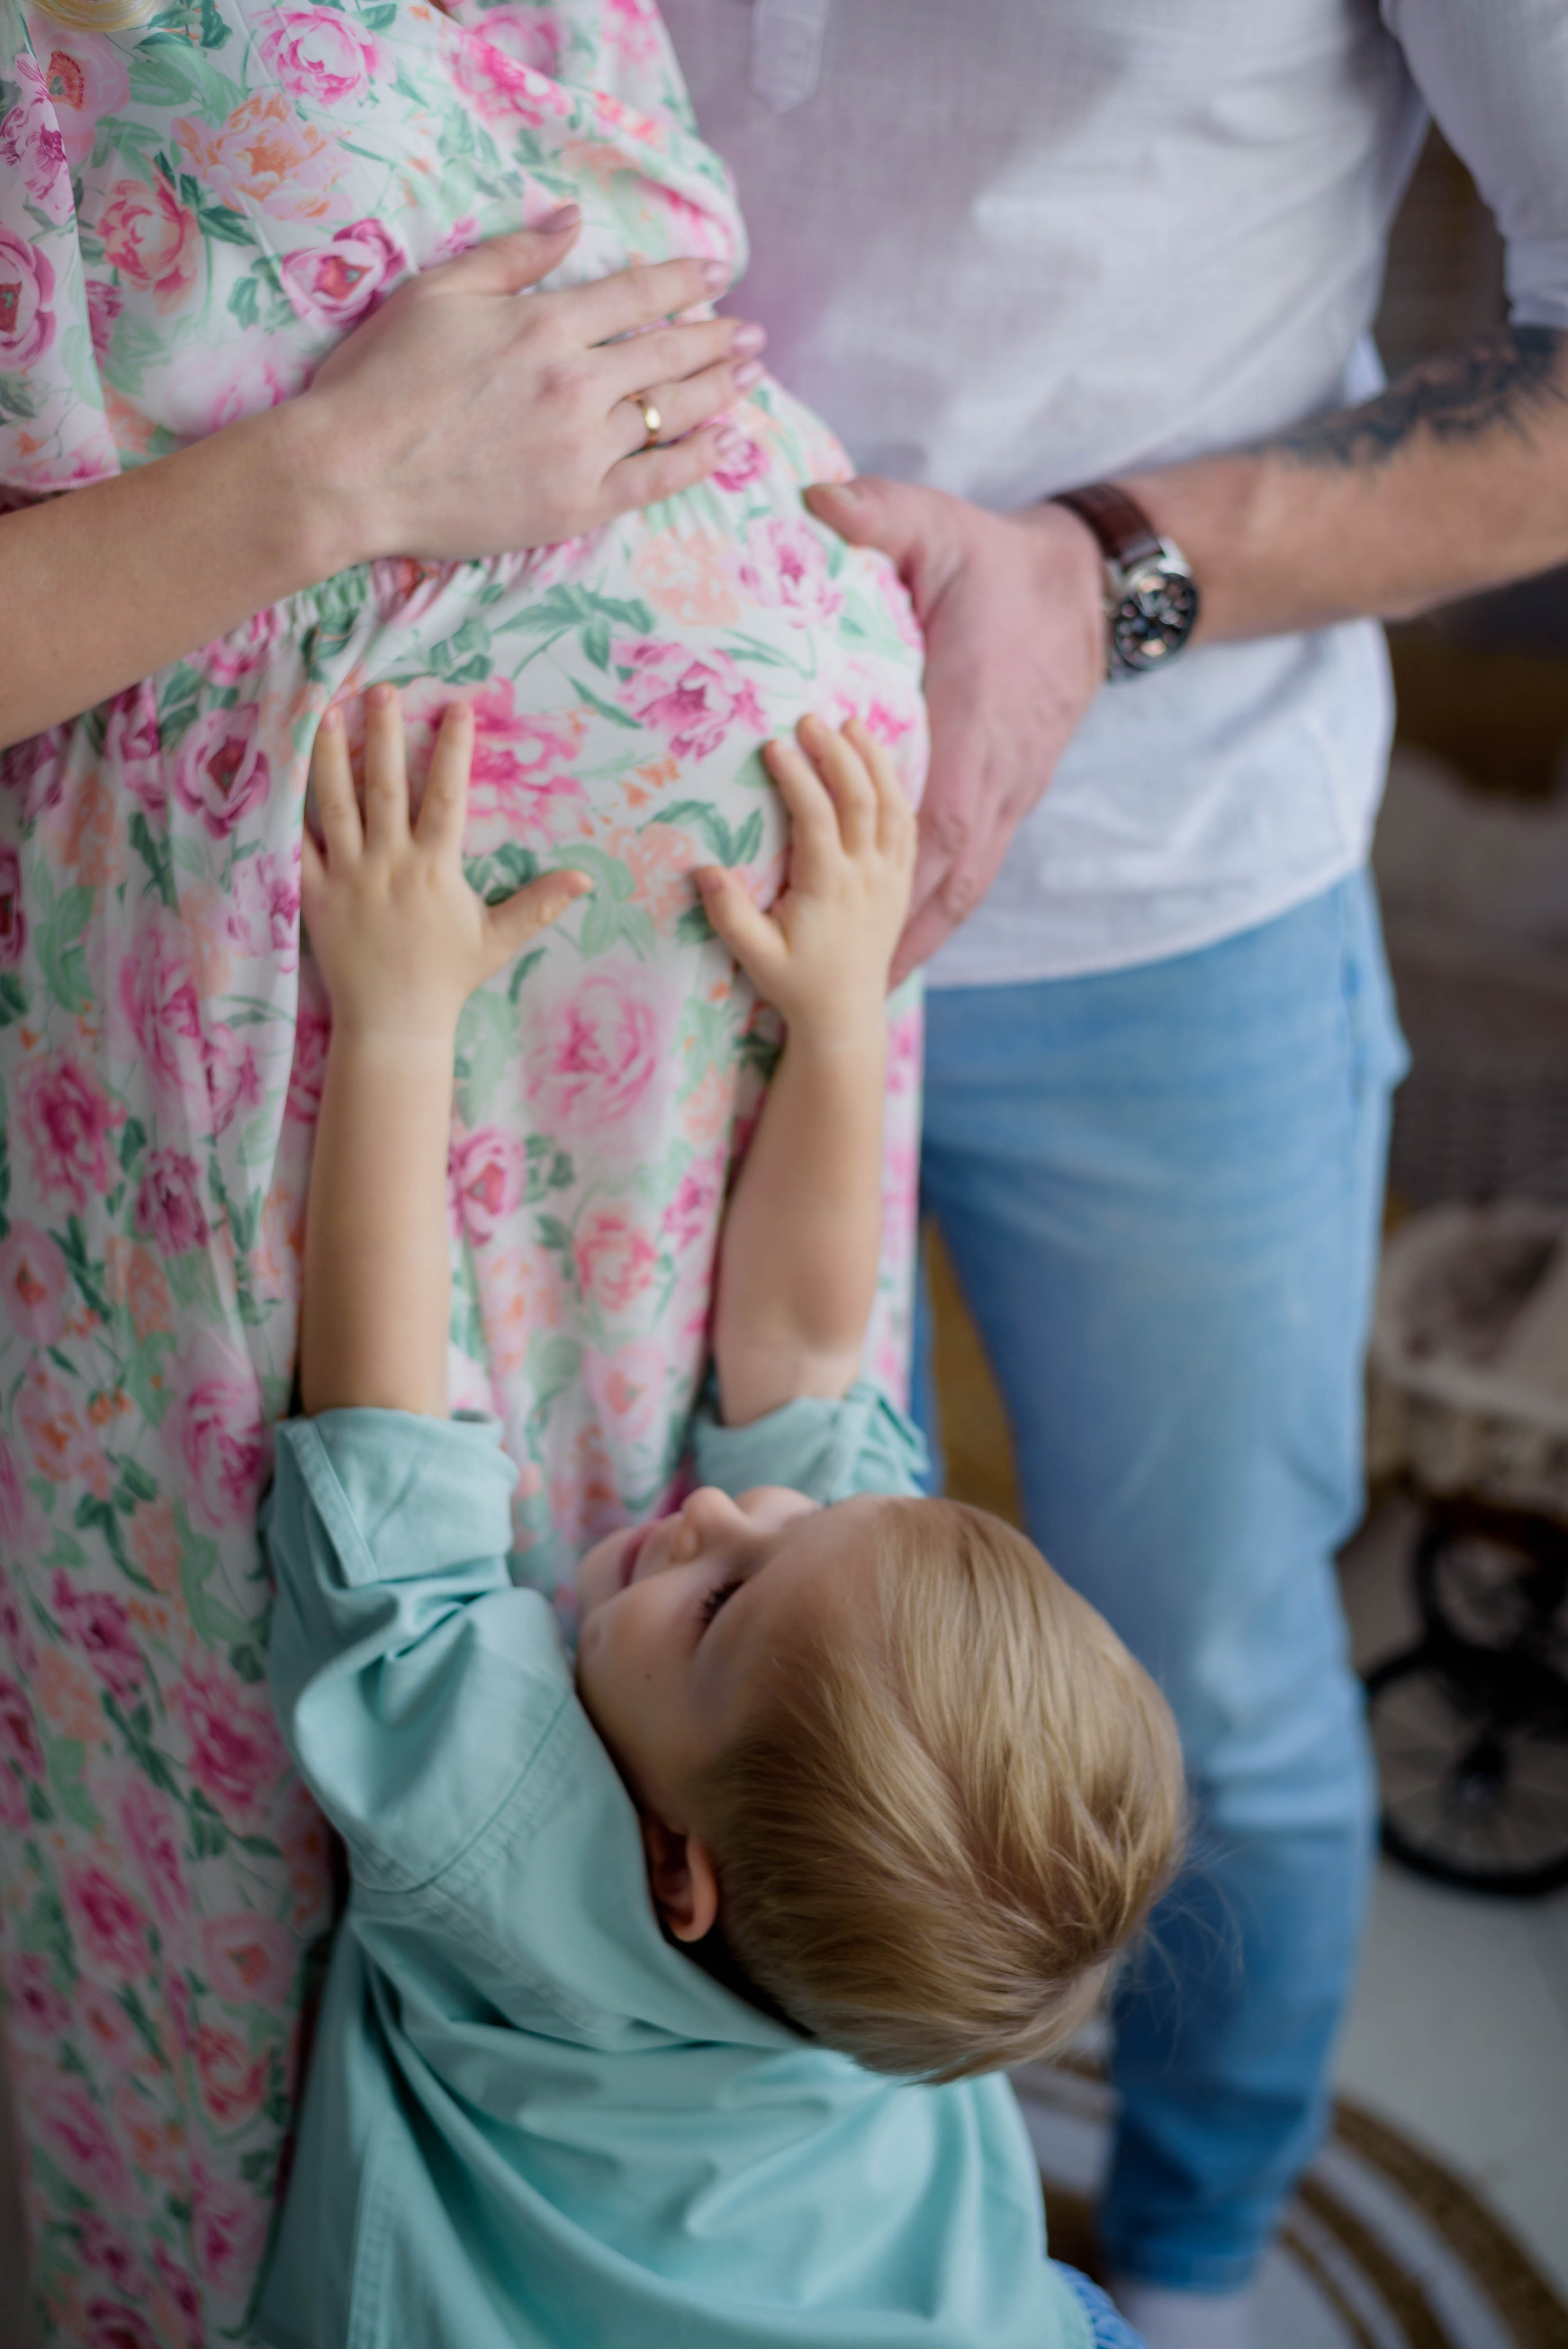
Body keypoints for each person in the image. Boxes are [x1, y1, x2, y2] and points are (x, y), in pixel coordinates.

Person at [0, 1, 926, 2336]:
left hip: (568, 1096)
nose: (740, 1527)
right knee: (220, 1923)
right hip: (334, 1062)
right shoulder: (775, 1805)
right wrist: (331, 483)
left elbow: (453, 1466)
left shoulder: (646, 1743)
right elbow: (807, 1378)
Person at [655, 4, 1568, 2344]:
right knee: (663, 1670)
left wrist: (1101, 574)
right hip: (625, 898)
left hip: (1169, 891)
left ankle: (1194, 2270)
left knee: (1206, 1677)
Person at [257, 690, 1182, 2349]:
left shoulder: (504, 1839)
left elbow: (384, 1458)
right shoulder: (847, 1816)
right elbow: (810, 1360)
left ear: (674, 1868)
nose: (711, 1517)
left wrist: (395, 1027)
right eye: (778, 1530)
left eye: (709, 1606)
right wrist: (835, 1031)